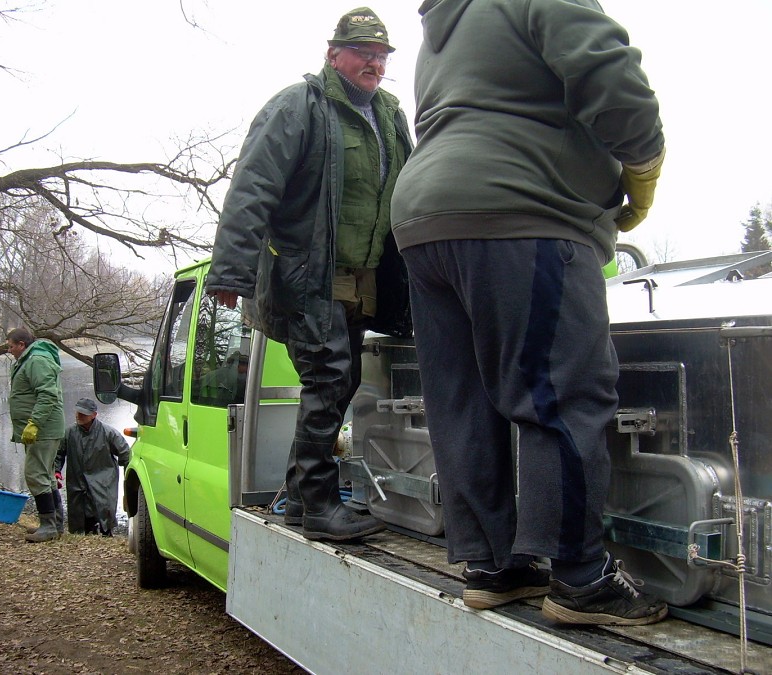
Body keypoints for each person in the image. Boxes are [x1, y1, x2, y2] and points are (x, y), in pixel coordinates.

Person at [390, 0, 667, 625]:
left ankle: (495, 566)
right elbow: (610, 71)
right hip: (521, 209)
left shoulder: (444, 21)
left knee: (465, 400)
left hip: (425, 220)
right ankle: (580, 577)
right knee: (562, 394)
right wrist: (644, 161)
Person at [205, 7, 414, 542]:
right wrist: (230, 272)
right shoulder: (299, 106)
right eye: (363, 52)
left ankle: (301, 496)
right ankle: (319, 505)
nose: (374, 62)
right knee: (325, 379)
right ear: (334, 54)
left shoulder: (389, 114)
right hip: (308, 275)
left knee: (341, 382)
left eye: (381, 55)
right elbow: (251, 188)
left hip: (363, 277)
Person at [6, 327, 65, 543]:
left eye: (11, 346)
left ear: (22, 344)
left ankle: (49, 526)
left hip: (43, 430)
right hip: (41, 430)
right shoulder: (30, 359)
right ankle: (55, 524)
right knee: (46, 475)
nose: (10, 350)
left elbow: (48, 394)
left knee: (35, 474)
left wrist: (34, 423)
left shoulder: (36, 361)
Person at [55, 398, 130, 536]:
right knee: (80, 512)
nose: (79, 416)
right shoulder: (69, 433)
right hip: (77, 480)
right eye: (78, 413)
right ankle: (87, 532)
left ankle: (106, 533)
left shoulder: (108, 433)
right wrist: (56, 471)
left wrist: (128, 478)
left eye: (83, 414)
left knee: (104, 508)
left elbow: (125, 453)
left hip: (104, 480)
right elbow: (59, 454)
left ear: (94, 415)